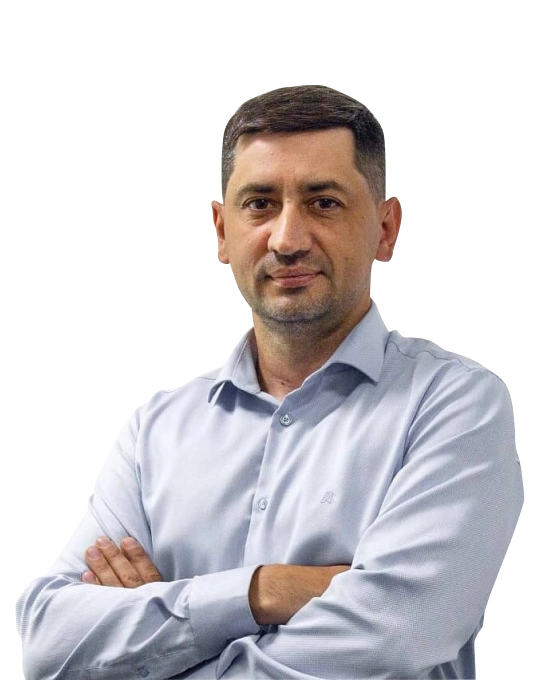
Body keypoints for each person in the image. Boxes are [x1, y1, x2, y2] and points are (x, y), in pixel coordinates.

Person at [16, 85, 523, 679]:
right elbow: (44, 642)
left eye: (324, 202)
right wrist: (265, 589)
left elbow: (396, 636)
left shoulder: (457, 406)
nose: (287, 240)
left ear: (387, 228)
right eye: (259, 203)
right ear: (221, 231)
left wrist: (155, 643)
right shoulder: (156, 427)